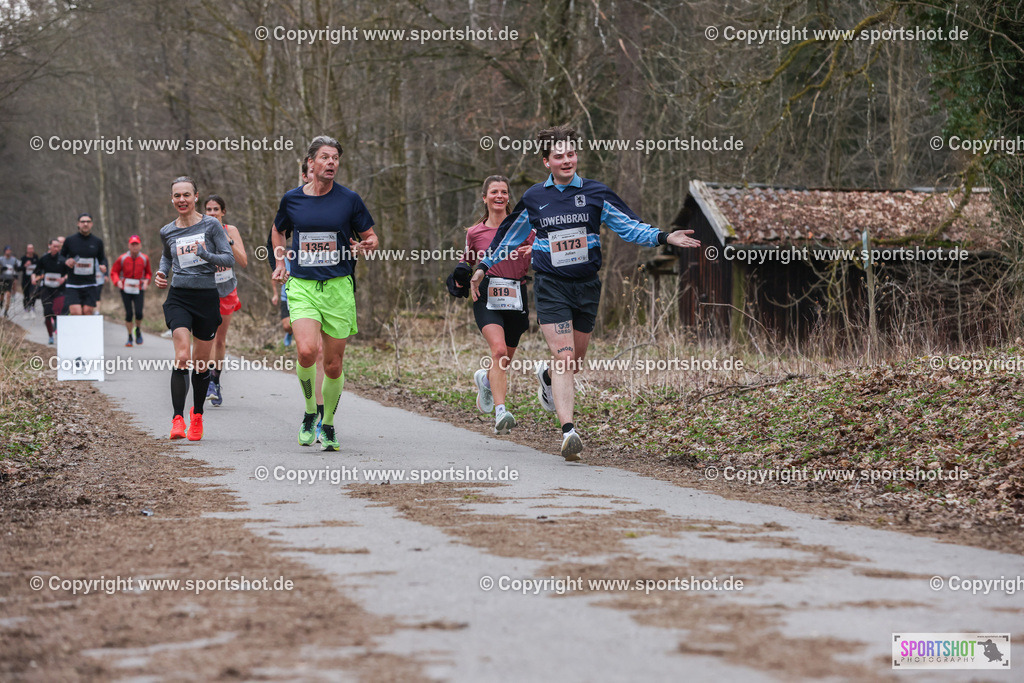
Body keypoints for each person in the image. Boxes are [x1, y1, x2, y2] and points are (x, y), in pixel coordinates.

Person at [470, 125, 701, 461]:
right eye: (558, 156)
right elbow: (509, 236)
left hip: (587, 285)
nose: (567, 160)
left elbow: (629, 226)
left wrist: (665, 237)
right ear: (546, 161)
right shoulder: (535, 198)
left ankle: (547, 378)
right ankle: (569, 432)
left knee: (573, 362)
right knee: (565, 357)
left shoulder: (596, 194)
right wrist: (482, 267)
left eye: (571, 154)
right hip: (551, 286)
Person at [271, 135, 378, 451]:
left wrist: (367, 244)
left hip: (337, 288)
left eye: (335, 158)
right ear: (310, 163)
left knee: (333, 365)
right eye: (325, 157)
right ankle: (309, 414)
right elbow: (279, 229)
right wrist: (280, 260)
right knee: (305, 351)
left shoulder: (349, 200)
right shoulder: (292, 200)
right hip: (303, 286)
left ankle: (328, 423)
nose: (331, 162)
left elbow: (371, 237)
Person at [155, 176, 235, 441]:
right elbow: (167, 255)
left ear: (196, 197)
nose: (181, 200)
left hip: (206, 298)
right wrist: (162, 272)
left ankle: (197, 415)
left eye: (186, 195)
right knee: (181, 357)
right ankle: (177, 419)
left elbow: (228, 257)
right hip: (179, 296)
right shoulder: (167, 230)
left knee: (201, 364)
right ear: (172, 199)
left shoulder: (211, 225)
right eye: (177, 196)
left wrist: (206, 255)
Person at [458, 175, 534, 434]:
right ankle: (501, 412)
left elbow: (543, 252)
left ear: (508, 197)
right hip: (487, 295)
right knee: (499, 352)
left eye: (504, 191)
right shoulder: (474, 232)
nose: (499, 196)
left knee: (505, 360)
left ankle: (486, 381)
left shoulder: (525, 228)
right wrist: (459, 277)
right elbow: (466, 263)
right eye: (494, 192)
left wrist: (534, 252)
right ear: (484, 197)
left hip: (517, 294)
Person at [203, 195, 248, 406]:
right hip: (205, 289)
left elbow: (244, 261)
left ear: (223, 212)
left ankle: (216, 381)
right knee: (207, 337)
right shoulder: (199, 230)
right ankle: (208, 382)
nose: (212, 213)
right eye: (208, 210)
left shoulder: (231, 230)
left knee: (220, 339)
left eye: (216, 210)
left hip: (227, 289)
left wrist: (228, 241)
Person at [59, 213, 107, 315]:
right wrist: (66, 261)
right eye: (83, 222)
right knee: (76, 312)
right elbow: (61, 256)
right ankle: (76, 331)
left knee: (87, 311)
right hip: (73, 284)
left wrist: (103, 266)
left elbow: (102, 258)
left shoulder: (97, 242)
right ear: (78, 224)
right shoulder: (70, 240)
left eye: (88, 222)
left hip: (90, 283)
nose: (85, 224)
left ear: (92, 224)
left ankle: (86, 331)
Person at [110, 235, 153, 346]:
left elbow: (148, 273)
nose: (135, 247)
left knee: (139, 313)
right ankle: (129, 337)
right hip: (126, 288)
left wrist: (146, 281)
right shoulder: (122, 258)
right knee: (129, 314)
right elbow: (114, 272)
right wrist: (117, 282)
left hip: (138, 288)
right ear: (129, 245)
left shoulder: (144, 258)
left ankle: (137, 330)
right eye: (132, 244)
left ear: (140, 245)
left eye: (136, 244)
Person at [32, 239, 67, 343]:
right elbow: (36, 272)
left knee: (58, 312)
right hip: (46, 289)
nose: (56, 248)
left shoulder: (63, 259)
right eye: (54, 246)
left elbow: (68, 273)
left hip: (59, 289)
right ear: (49, 246)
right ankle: (50, 336)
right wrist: (34, 278)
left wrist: (63, 279)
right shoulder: (44, 259)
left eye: (58, 247)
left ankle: (58, 329)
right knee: (47, 312)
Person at [19, 244, 39, 316]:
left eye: (31, 248)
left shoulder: (36, 258)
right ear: (27, 250)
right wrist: (25, 265)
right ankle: (26, 308)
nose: (30, 250)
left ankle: (32, 307)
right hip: (25, 279)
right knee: (26, 294)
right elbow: (19, 269)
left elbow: (39, 268)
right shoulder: (23, 258)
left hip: (33, 279)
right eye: (29, 249)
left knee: (33, 293)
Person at [0, 246, 17, 317]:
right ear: (5, 251)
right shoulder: (1, 259)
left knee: (8, 295)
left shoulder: (13, 260)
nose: (8, 251)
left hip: (9, 279)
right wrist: (1, 269)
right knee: (2, 294)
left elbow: (16, 269)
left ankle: (6, 311)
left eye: (10, 250)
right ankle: (1, 302)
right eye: (7, 250)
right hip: (1, 279)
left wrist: (16, 277)